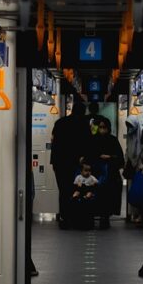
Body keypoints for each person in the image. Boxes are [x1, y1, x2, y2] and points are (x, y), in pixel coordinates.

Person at [50, 98, 91, 229]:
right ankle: (77, 218)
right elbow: (87, 144)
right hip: (75, 164)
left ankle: (64, 218)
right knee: (77, 190)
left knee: (63, 191)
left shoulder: (60, 123)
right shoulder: (84, 124)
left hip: (60, 163)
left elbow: (54, 143)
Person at [87, 117, 124, 230]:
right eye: (101, 127)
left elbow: (120, 159)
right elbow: (89, 156)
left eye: (104, 127)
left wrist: (110, 157)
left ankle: (105, 218)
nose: (102, 130)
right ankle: (95, 217)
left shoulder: (112, 140)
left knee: (107, 197)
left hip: (110, 174)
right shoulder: (93, 140)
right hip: (96, 174)